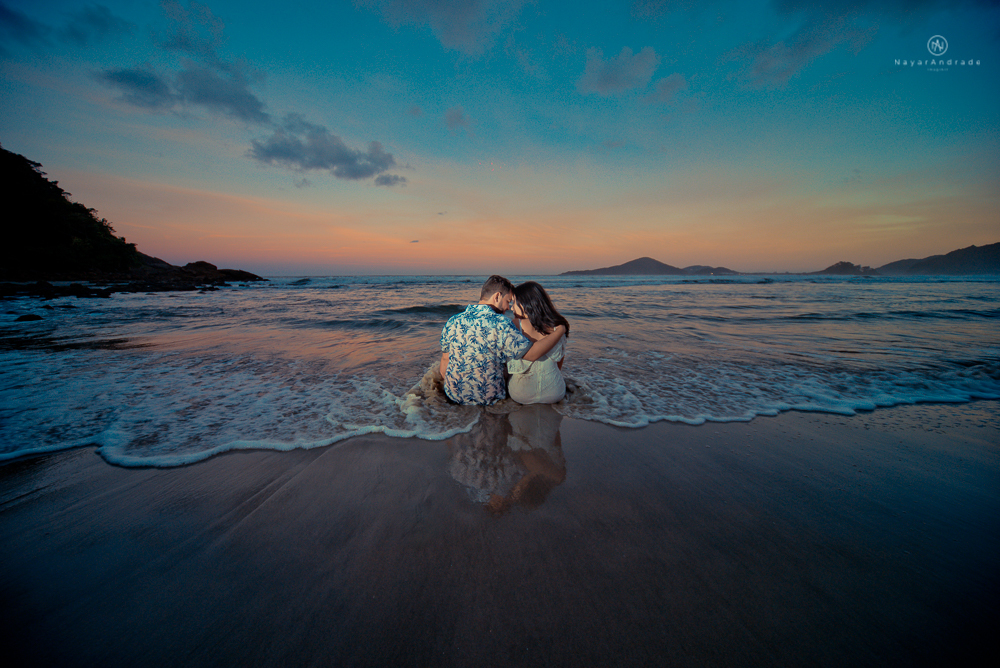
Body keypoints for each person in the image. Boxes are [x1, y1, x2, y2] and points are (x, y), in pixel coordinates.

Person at [440, 275, 565, 406]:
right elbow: (531, 354)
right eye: (508, 301)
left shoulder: (453, 321)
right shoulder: (503, 323)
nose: (508, 308)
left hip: (455, 396)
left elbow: (445, 363)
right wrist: (561, 330)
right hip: (491, 399)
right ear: (497, 296)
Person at [507, 281, 569, 404]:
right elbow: (560, 360)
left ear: (525, 304)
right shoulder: (557, 326)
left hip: (521, 394)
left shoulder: (514, 325)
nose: (511, 307)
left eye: (514, 302)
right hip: (555, 392)